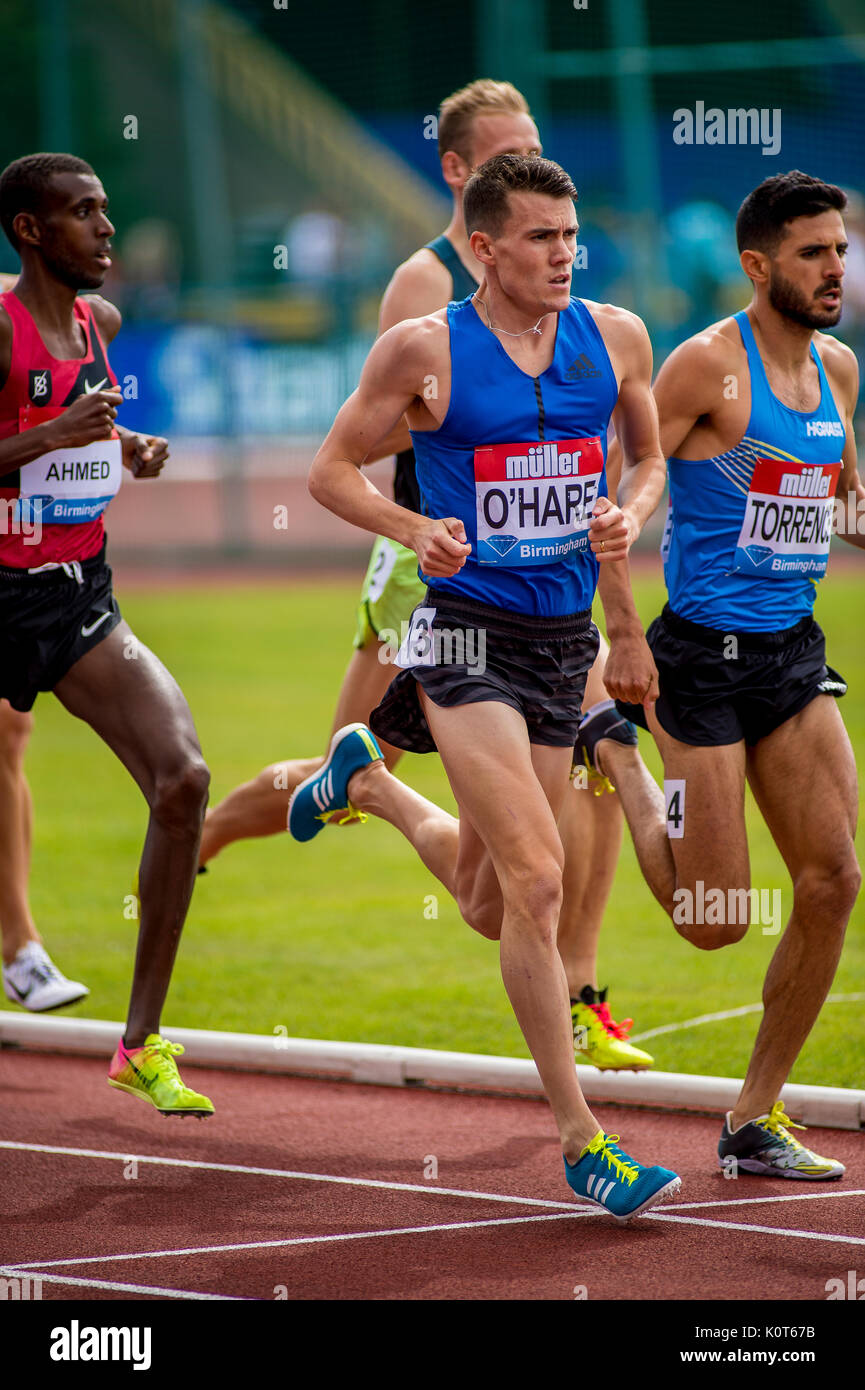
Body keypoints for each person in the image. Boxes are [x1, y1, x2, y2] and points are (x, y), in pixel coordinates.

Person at [199, 80, 652, 1071]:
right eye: (502, 155)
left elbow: (616, 447)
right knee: (430, 785)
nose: (525, 170)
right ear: (456, 173)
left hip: (546, 583)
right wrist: (422, 532)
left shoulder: (579, 301)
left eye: (534, 151)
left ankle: (573, 980)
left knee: (569, 802)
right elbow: (381, 439)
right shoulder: (421, 288)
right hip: (436, 565)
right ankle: (210, 827)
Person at [289, 153, 680, 1219]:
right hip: (461, 636)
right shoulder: (426, 350)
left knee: (483, 898)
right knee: (541, 882)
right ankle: (583, 1142)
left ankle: (366, 782)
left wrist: (628, 513)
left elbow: (646, 462)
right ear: (482, 246)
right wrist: (414, 526)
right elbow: (328, 471)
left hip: (560, 642)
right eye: (541, 237)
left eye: (571, 233)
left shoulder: (616, 336)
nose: (564, 253)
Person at [596, 170, 861, 1178]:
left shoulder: (837, 369)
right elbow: (624, 491)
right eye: (810, 253)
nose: (833, 268)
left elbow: (843, 504)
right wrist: (620, 633)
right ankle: (618, 759)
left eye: (838, 249)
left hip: (792, 656)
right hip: (698, 662)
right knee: (713, 925)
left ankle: (753, 1116)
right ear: (757, 266)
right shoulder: (705, 367)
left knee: (833, 879)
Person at [0, 153, 212, 1115]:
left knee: (185, 778)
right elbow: (42, 427)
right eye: (84, 214)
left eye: (107, 210)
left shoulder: (100, 324)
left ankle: (140, 1042)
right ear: (30, 231)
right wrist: (55, 434)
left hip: (75, 594)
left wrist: (125, 445)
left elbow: (80, 426)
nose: (107, 228)